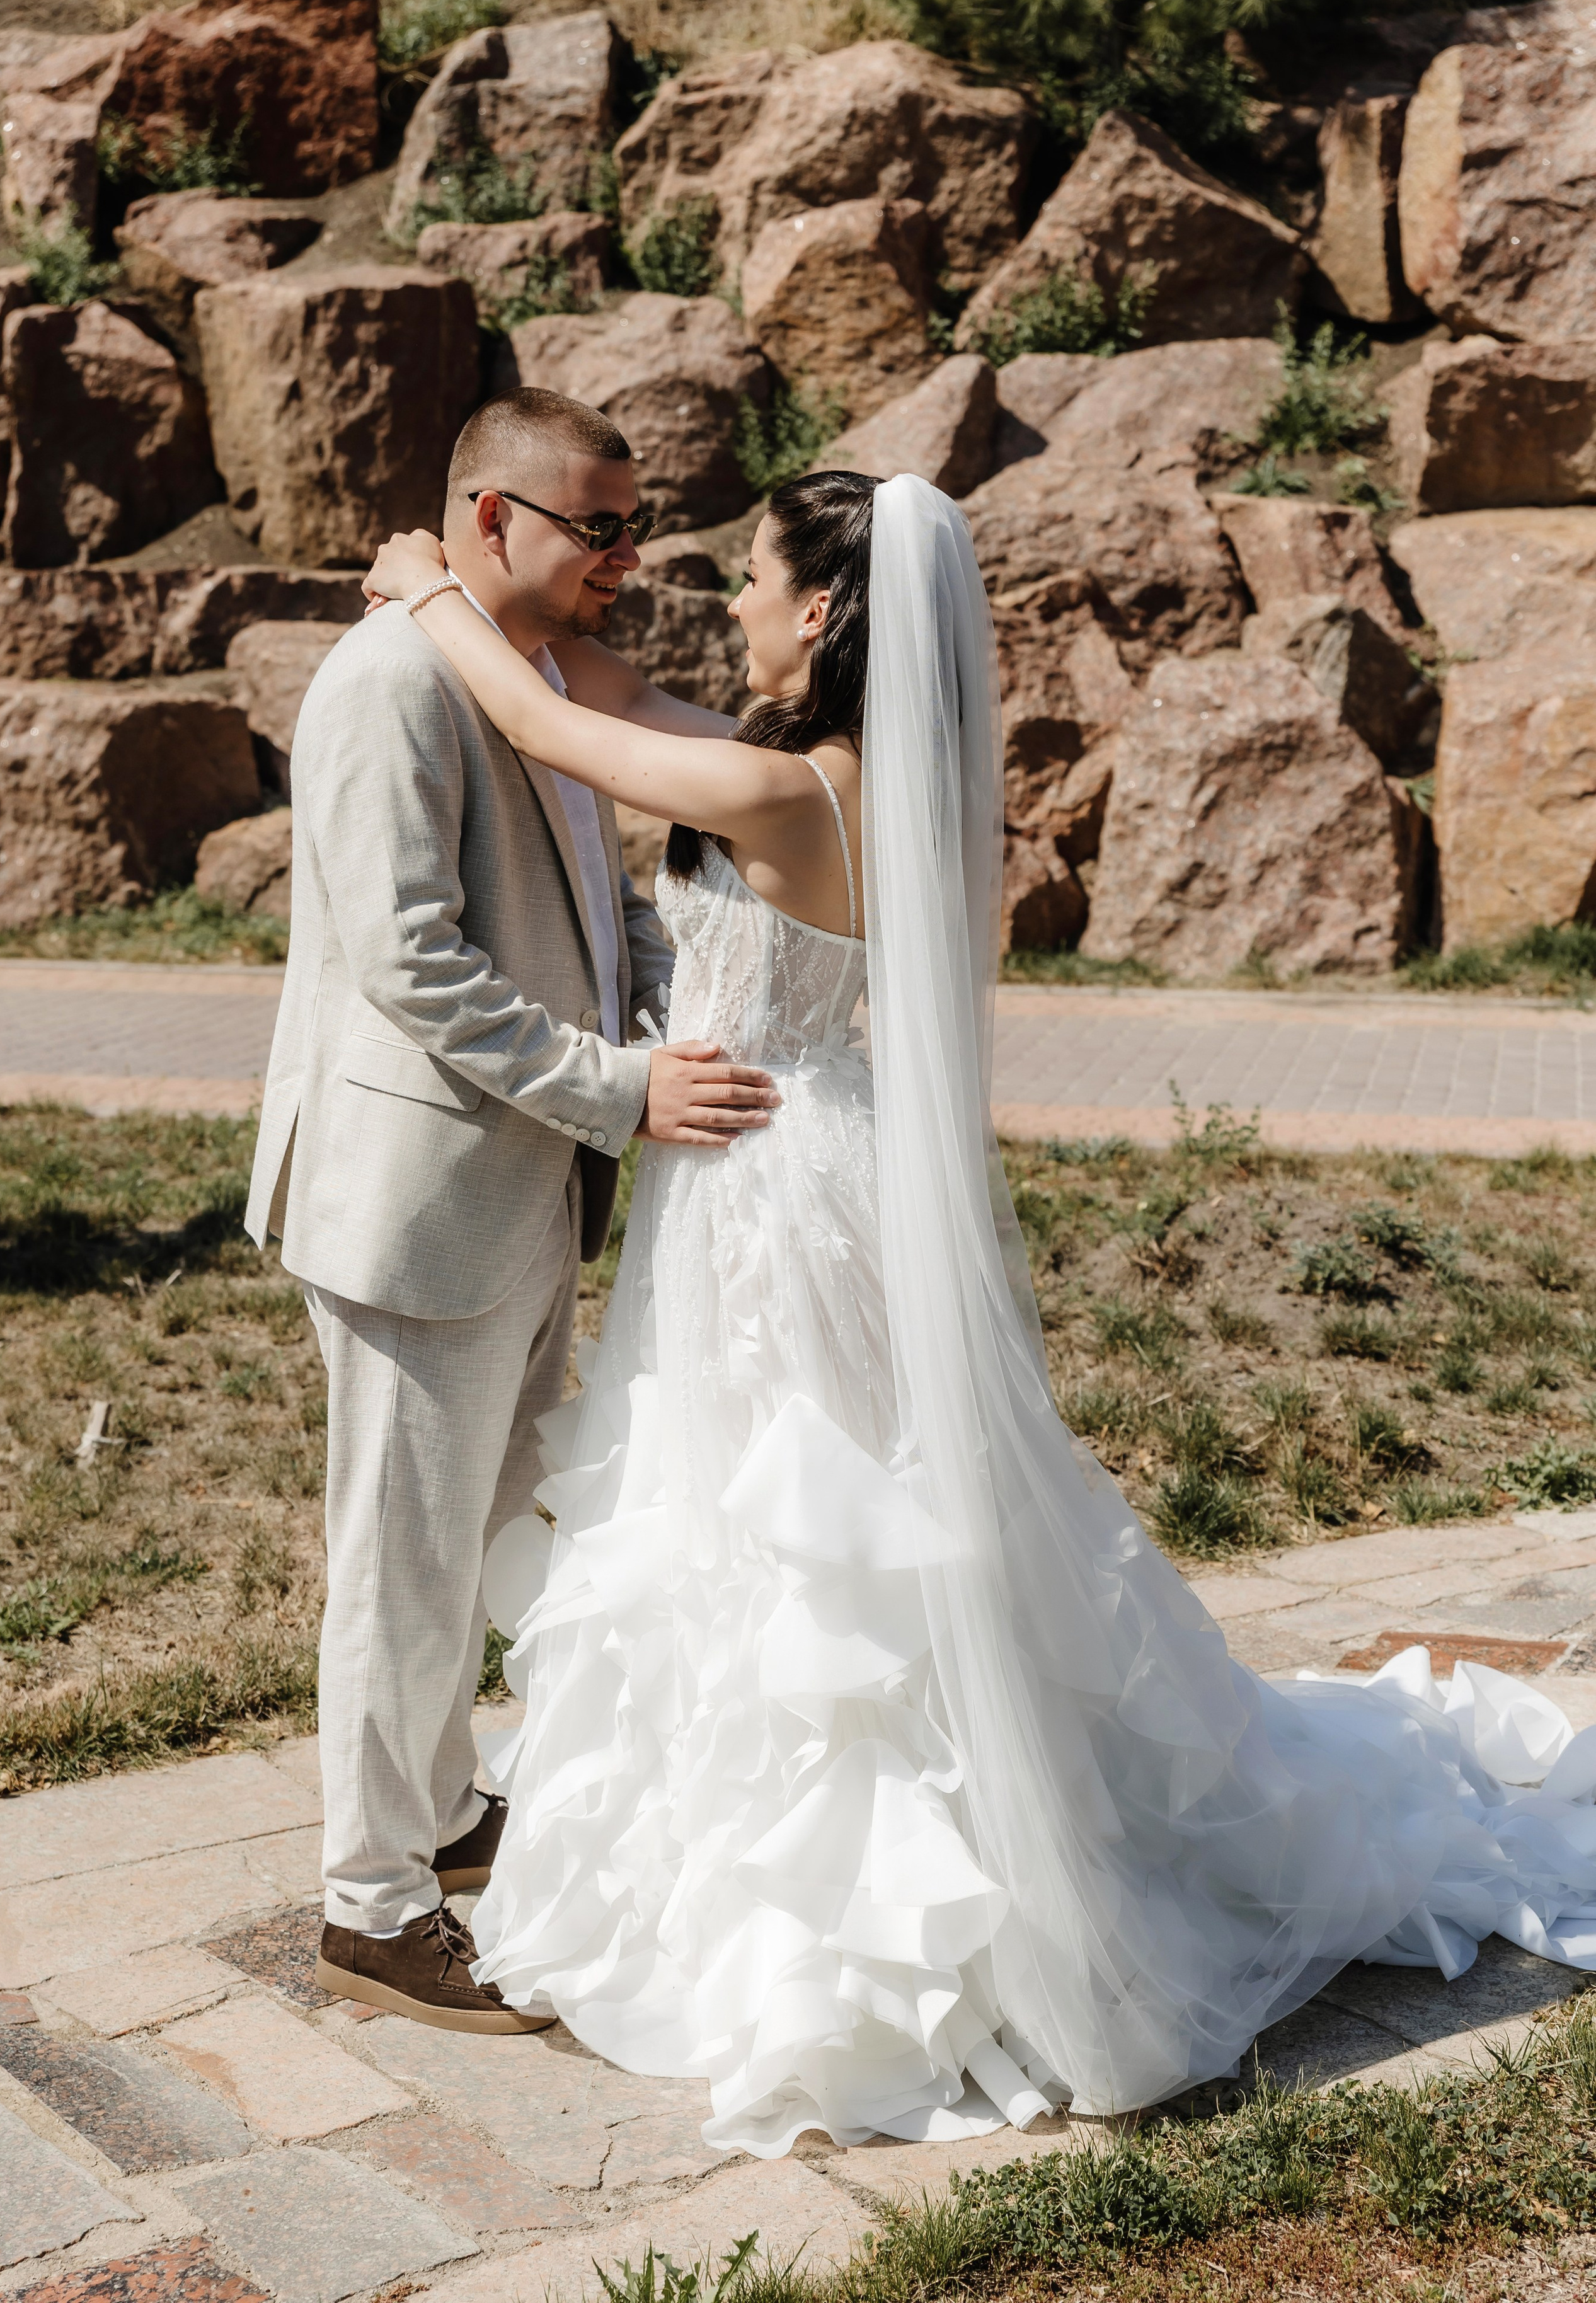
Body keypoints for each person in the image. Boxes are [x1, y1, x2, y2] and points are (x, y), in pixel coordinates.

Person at [360, 469, 1596, 2149]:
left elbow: (558, 726)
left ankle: (868, 1914)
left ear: (825, 613)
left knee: (810, 1532)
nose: (732, 602)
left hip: (779, 1198)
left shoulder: (790, 792)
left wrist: (429, 587)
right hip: (810, 1174)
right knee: (847, 1528)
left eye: (763, 579)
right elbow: (616, 696)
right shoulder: (880, 776)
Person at [245, 388, 780, 2035]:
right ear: (492, 518)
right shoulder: (390, 683)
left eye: (638, 524)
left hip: (521, 1189)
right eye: (597, 526)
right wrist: (619, 1089)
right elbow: (412, 960)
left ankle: (444, 1807)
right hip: (417, 1201)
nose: (632, 555)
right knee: (403, 1557)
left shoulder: (529, 674)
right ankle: (370, 1900)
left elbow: (580, 910)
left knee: (486, 1526)